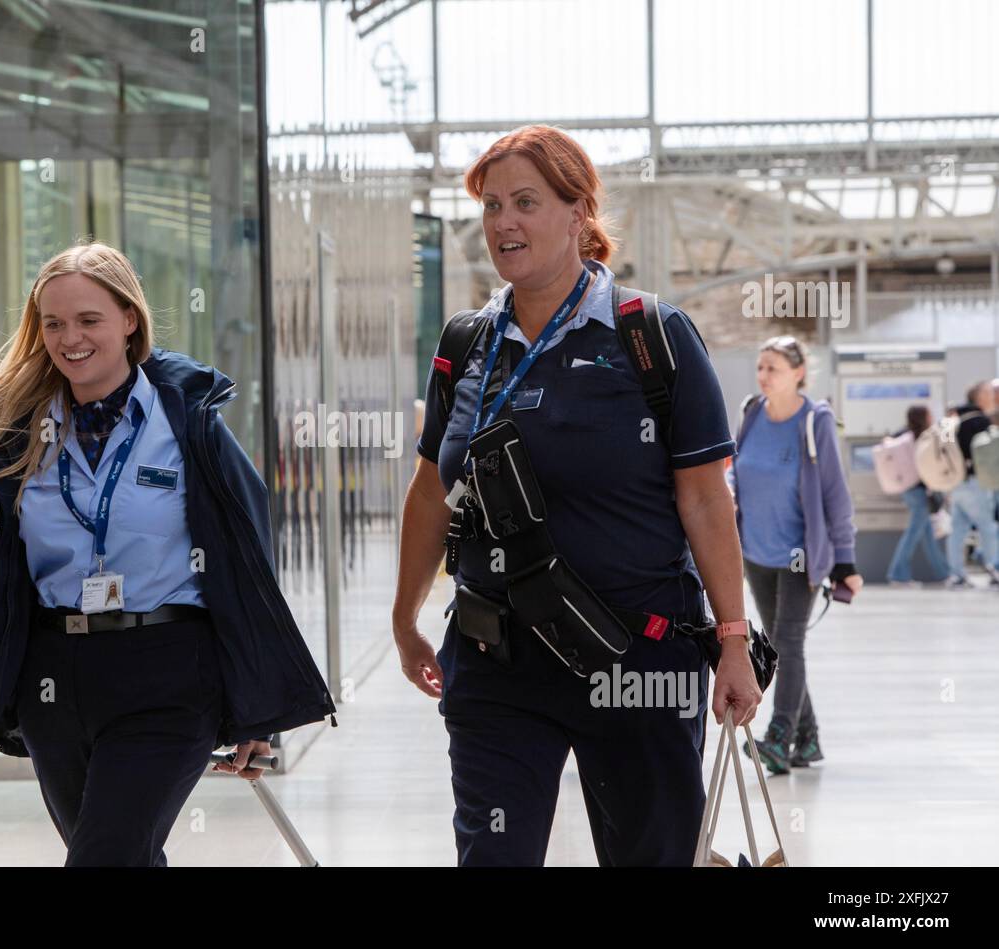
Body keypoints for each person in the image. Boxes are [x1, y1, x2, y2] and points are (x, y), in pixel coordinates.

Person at [0, 240, 335, 866]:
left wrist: (257, 709)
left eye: (89, 319)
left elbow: (248, 571)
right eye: (54, 323)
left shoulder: (190, 425)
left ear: (130, 320)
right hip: (55, 683)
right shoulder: (22, 436)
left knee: (105, 857)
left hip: (170, 675)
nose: (70, 338)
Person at [391, 125, 761, 867]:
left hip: (635, 657)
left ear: (577, 212)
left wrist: (732, 639)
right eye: (492, 206)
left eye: (526, 202)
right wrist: (403, 620)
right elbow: (433, 490)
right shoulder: (466, 344)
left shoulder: (651, 335)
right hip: (498, 663)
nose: (504, 223)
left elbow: (704, 499)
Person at [727, 336, 861, 774]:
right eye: (761, 367)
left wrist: (845, 561)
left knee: (787, 644)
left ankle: (779, 737)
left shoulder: (815, 420)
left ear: (799, 372)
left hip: (800, 556)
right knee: (780, 645)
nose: (764, 376)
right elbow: (736, 471)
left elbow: (835, 494)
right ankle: (809, 739)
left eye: (774, 369)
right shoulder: (751, 413)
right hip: (757, 553)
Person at [885, 405, 950, 586]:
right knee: (912, 534)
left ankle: (943, 573)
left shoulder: (900, 435)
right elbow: (942, 451)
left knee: (927, 534)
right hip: (921, 490)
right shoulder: (925, 435)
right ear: (925, 417)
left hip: (907, 489)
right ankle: (897, 574)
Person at [944, 380, 999, 589]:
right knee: (988, 527)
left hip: (955, 482)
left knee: (957, 529)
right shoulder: (979, 421)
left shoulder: (953, 419)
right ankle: (994, 567)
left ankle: (956, 573)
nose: (992, 396)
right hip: (976, 482)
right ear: (978, 397)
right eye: (987, 392)